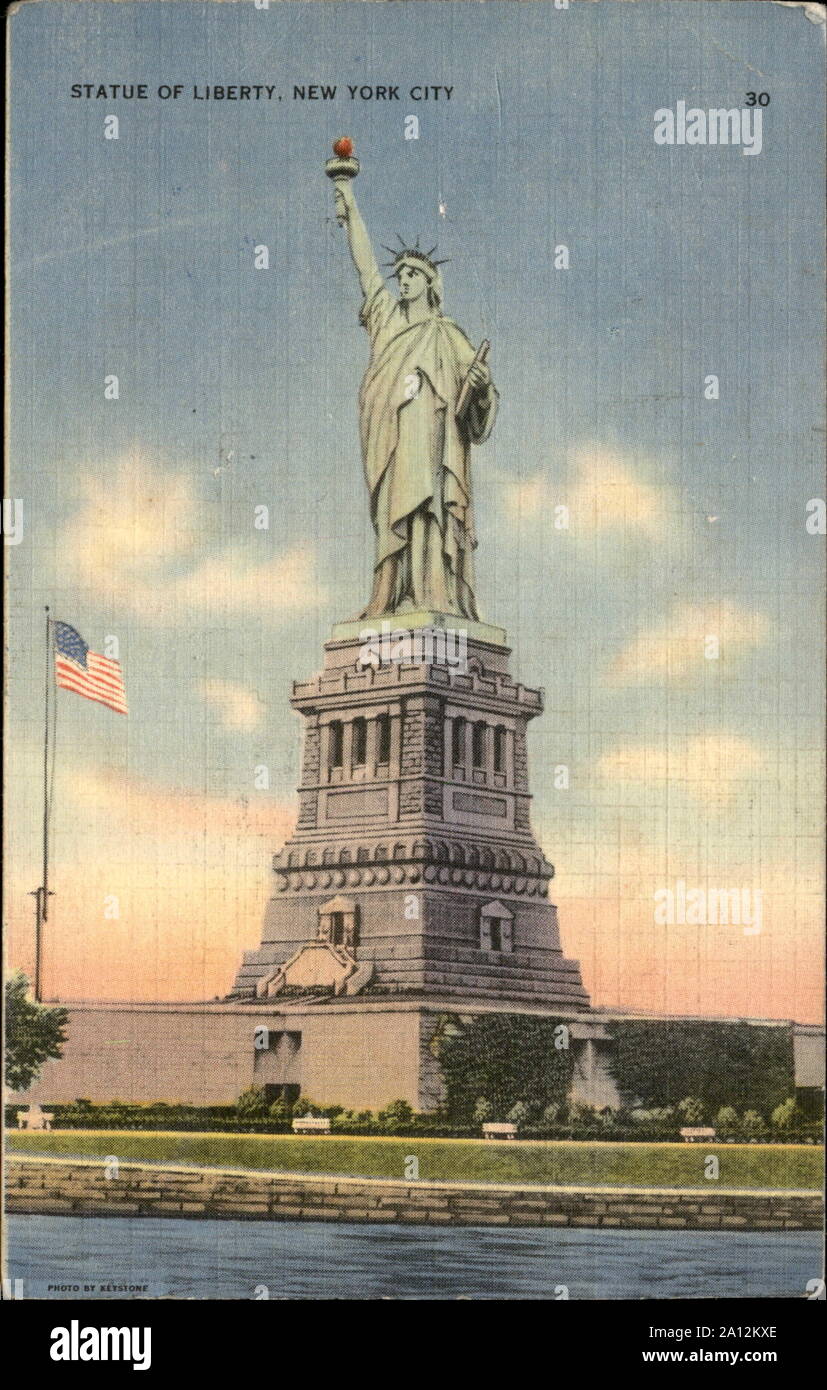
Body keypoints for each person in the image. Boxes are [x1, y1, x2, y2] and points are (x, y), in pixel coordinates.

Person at [334, 178, 498, 620]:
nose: (403, 281)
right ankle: (390, 596)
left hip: (434, 448)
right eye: (401, 275)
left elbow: (478, 402)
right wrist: (349, 205)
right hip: (392, 443)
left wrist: (481, 385)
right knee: (395, 516)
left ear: (430, 283)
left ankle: (433, 594)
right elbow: (367, 268)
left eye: (413, 275)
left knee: (429, 511)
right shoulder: (387, 321)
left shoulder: (449, 335)